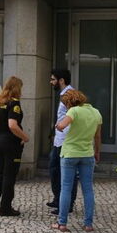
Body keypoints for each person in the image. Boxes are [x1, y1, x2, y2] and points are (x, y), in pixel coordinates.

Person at [52, 89, 102, 232]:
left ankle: (62, 223)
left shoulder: (73, 111)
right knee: (88, 189)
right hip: (87, 154)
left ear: (69, 103)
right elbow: (97, 136)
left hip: (70, 153)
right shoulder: (96, 112)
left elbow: (62, 125)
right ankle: (88, 224)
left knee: (66, 188)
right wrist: (97, 151)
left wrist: (58, 126)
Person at [0, 77, 28, 215]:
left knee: (0, 173)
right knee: (10, 175)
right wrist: (24, 137)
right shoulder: (14, 103)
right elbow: (12, 125)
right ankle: (5, 208)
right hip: (11, 143)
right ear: (17, 88)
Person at [47, 69, 78, 215]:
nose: (51, 82)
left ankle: (67, 203)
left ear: (61, 80)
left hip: (66, 139)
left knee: (66, 172)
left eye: (53, 79)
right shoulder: (62, 94)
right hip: (59, 138)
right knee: (54, 168)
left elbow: (73, 116)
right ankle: (58, 198)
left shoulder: (69, 95)